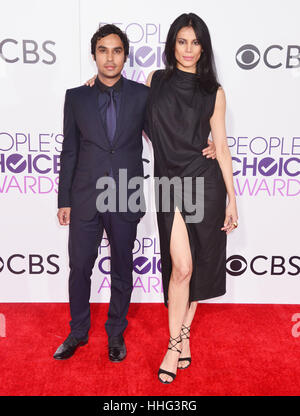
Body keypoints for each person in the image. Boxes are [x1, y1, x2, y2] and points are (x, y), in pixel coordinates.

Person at [145, 13, 238, 383]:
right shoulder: (155, 80)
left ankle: (176, 342)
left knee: (193, 266)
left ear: (204, 47)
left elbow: (224, 146)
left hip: (205, 182)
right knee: (180, 265)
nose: (188, 49)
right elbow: (135, 112)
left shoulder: (213, 91)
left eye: (195, 42)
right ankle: (179, 339)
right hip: (169, 183)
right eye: (182, 41)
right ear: (172, 44)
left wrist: (233, 198)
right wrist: (98, 85)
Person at [54, 24, 150, 362]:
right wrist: (64, 198)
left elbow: (165, 133)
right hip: (84, 196)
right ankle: (78, 332)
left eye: (117, 50)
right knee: (80, 265)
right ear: (94, 54)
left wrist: (205, 142)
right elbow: (69, 150)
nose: (110, 58)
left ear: (125, 55)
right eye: (103, 50)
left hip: (126, 192)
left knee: (122, 267)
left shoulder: (142, 95)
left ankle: (115, 333)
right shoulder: (76, 96)